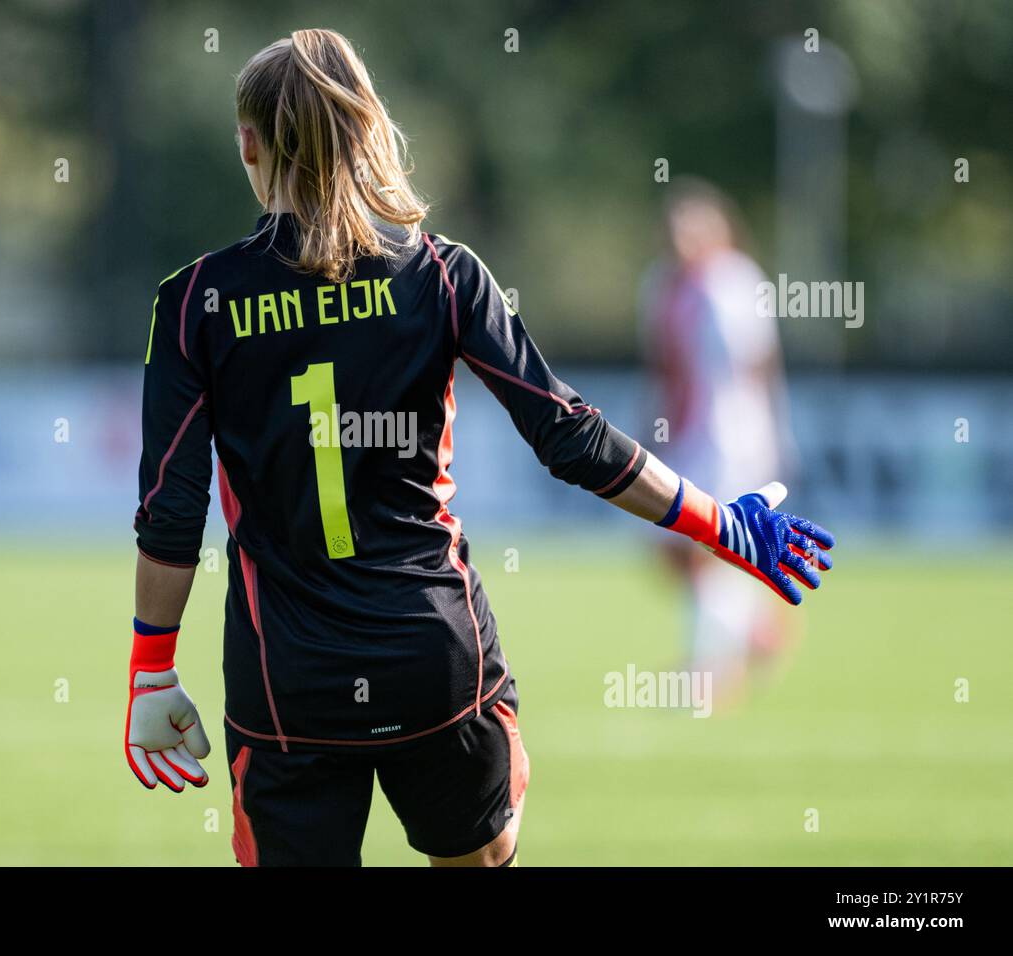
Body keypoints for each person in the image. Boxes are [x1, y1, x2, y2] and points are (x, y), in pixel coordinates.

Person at [124, 30, 834, 867]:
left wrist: (151, 672)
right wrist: (720, 525)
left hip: (287, 683)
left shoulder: (195, 301)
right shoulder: (441, 273)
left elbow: (172, 508)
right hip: (436, 660)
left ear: (248, 143)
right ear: (367, 132)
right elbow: (569, 436)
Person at [640, 180, 798, 695]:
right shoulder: (662, 285)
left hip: (730, 437)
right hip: (684, 436)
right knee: (670, 549)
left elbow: (757, 365)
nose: (679, 237)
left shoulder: (734, 283)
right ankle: (753, 628)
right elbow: (662, 367)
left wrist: (772, 435)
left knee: (705, 542)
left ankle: (708, 667)